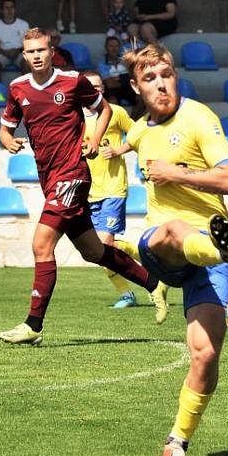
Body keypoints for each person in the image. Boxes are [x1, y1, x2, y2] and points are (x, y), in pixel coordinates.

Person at [122, 43, 228, 456]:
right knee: (176, 231)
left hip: (207, 250)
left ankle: (177, 440)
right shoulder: (140, 133)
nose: (160, 83)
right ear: (136, 86)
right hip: (162, 244)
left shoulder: (198, 117)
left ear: (175, 75)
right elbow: (115, 134)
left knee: (205, 353)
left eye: (166, 74)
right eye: (150, 78)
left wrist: (185, 179)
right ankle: (221, 246)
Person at [0, 28, 164, 345]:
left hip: (72, 174)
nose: (36, 56)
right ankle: (154, 283)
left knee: (41, 244)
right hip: (49, 178)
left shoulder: (72, 81)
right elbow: (4, 129)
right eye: (30, 51)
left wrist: (95, 140)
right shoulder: (17, 88)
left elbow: (105, 109)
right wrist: (9, 142)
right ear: (24, 53)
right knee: (93, 251)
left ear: (50, 50)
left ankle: (33, 325)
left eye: (41, 50)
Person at [79, 70, 138, 308]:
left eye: (100, 87)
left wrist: (117, 150)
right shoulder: (73, 117)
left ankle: (127, 293)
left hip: (114, 187)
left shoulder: (115, 112)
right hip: (88, 191)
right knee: (98, 250)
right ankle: (145, 256)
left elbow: (139, 136)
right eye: (91, 87)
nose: (97, 91)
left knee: (103, 245)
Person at [0, 0, 30, 82]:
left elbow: (28, 45)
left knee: (28, 62)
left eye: (11, 7)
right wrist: (6, 52)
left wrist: (16, 51)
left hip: (20, 53)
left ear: (15, 9)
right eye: (6, 8)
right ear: (2, 10)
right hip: (2, 53)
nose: (9, 10)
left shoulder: (24, 24)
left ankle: (26, 92)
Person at [97, 36, 135, 105]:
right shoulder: (102, 62)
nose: (114, 49)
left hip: (129, 89)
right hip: (112, 91)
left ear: (120, 47)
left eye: (116, 46)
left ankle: (133, 116)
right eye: (111, 46)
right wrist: (126, 79)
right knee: (112, 100)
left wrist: (118, 79)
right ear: (106, 47)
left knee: (141, 98)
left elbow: (134, 77)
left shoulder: (126, 60)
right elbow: (110, 84)